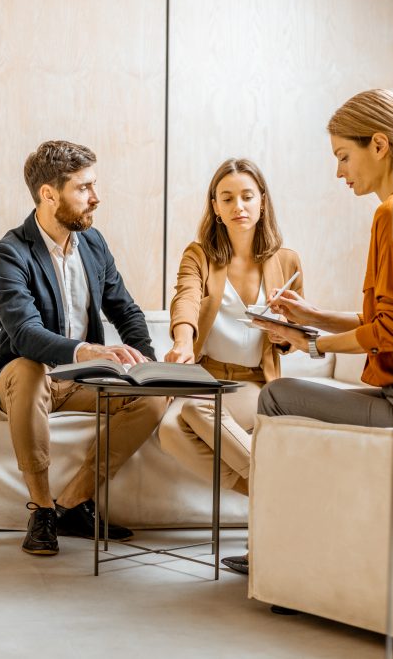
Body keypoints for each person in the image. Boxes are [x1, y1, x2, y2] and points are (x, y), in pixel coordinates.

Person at [0, 140, 167, 556]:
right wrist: (87, 351)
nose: (95, 197)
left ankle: (75, 503)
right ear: (49, 193)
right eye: (84, 188)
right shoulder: (9, 253)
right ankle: (42, 510)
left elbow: (126, 310)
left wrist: (146, 363)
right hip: (25, 377)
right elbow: (24, 333)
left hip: (81, 381)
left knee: (152, 400)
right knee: (28, 368)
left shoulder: (93, 244)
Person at [254, 88, 393, 434]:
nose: (338, 172)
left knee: (276, 396)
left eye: (343, 156)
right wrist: (312, 317)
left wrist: (311, 343)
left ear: (379, 146)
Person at [157, 157, 302, 574]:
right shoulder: (200, 254)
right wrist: (182, 341)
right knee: (170, 431)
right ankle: (277, 496)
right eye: (227, 197)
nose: (238, 205)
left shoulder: (287, 261)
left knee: (189, 413)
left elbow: (294, 332)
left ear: (262, 202)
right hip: (206, 374)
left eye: (246, 196)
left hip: (253, 383)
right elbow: (184, 297)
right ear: (215, 206)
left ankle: (274, 507)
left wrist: (282, 336)